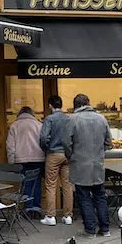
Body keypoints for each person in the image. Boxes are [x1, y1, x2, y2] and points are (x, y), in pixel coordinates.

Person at [64, 94, 112, 237]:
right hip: (97, 164)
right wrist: (99, 152)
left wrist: (71, 155)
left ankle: (90, 229)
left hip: (79, 164)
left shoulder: (72, 119)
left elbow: (66, 142)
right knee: (100, 195)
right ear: (88, 103)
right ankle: (105, 229)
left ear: (75, 105)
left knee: (84, 196)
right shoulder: (101, 118)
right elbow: (108, 142)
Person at [40, 95, 74, 226]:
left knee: (50, 185)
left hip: (53, 154)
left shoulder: (49, 119)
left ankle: (50, 216)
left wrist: (46, 148)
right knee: (67, 185)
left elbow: (43, 137)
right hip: (66, 154)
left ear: (50, 105)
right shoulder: (68, 118)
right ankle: (68, 216)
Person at [7, 106, 44, 217]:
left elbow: (10, 146)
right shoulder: (39, 125)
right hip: (38, 158)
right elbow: (44, 141)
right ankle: (36, 208)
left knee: (25, 183)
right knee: (36, 183)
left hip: (21, 159)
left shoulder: (14, 126)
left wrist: (12, 161)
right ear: (32, 113)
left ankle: (28, 208)